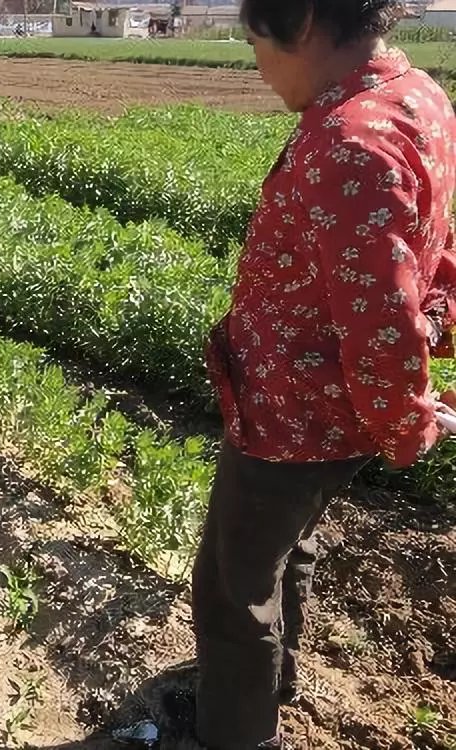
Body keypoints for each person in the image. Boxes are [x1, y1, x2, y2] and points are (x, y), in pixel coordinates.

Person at [190, 1, 456, 748]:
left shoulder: (349, 142)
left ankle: (239, 734)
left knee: (229, 589)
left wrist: (408, 420)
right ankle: (276, 680)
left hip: (295, 411)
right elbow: (426, 251)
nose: (256, 64)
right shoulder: (418, 96)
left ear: (303, 22)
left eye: (255, 42)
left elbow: (380, 324)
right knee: (290, 545)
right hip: (329, 417)